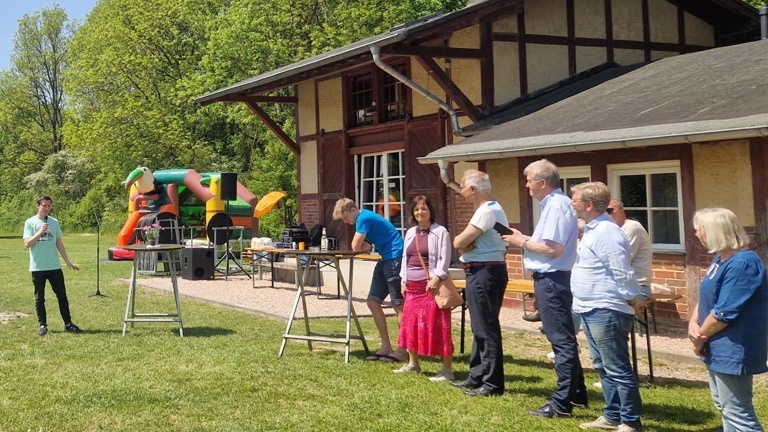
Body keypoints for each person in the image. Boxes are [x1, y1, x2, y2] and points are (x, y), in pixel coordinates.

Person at [502, 159, 587, 417]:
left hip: (553, 280)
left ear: (541, 182)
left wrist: (521, 242)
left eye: (528, 180)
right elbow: (550, 244)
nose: (526, 184)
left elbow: (553, 249)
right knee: (562, 339)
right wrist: (525, 239)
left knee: (561, 341)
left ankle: (561, 403)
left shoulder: (557, 206)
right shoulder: (553, 205)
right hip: (551, 279)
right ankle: (577, 394)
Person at [570, 182, 645, 432]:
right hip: (589, 307)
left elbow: (621, 270)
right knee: (603, 366)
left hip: (606, 308)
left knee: (617, 367)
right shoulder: (593, 229)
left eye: (576, 200)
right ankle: (612, 415)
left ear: (589, 205)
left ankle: (630, 421)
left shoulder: (607, 232)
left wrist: (633, 298)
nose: (572, 203)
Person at [688, 207, 768, 432]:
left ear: (714, 231)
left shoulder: (743, 263)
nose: (696, 235)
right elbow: (706, 296)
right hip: (715, 344)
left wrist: (699, 338)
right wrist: (693, 323)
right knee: (724, 407)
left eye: (699, 230)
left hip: (733, 346)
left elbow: (724, 312)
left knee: (738, 412)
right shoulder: (720, 259)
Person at [451, 169, 509, 397]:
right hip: (487, 270)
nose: (462, 192)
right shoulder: (494, 208)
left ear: (473, 189)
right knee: (480, 325)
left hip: (484, 271)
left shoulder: (485, 211)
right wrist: (467, 245)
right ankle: (477, 375)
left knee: (486, 327)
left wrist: (465, 244)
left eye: (463, 187)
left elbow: (459, 241)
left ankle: (492, 383)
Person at [332, 197, 406, 362]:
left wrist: (362, 245)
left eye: (345, 217)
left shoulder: (363, 218)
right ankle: (386, 346)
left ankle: (402, 350)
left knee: (398, 305)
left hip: (395, 257)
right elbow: (365, 245)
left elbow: (355, 246)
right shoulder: (364, 218)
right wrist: (366, 245)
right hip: (384, 258)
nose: (345, 222)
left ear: (353, 210)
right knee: (373, 301)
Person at [395, 196, 454, 381]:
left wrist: (437, 278)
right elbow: (405, 258)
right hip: (412, 287)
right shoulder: (411, 232)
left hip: (431, 287)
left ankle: (447, 370)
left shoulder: (440, 231)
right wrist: (403, 280)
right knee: (410, 324)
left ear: (430, 211)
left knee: (438, 324)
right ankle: (413, 364)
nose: (420, 212)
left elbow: (445, 258)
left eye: (424, 209)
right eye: (417, 209)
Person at [23, 195, 83, 336]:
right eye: (44, 205)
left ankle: (68, 324)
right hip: (38, 267)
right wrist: (39, 232)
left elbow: (58, 242)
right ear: (38, 206)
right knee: (40, 298)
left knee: (62, 296)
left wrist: (67, 261)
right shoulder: (30, 222)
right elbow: (27, 244)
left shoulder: (54, 222)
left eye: (49, 206)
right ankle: (43, 325)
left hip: (54, 267)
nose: (47, 208)